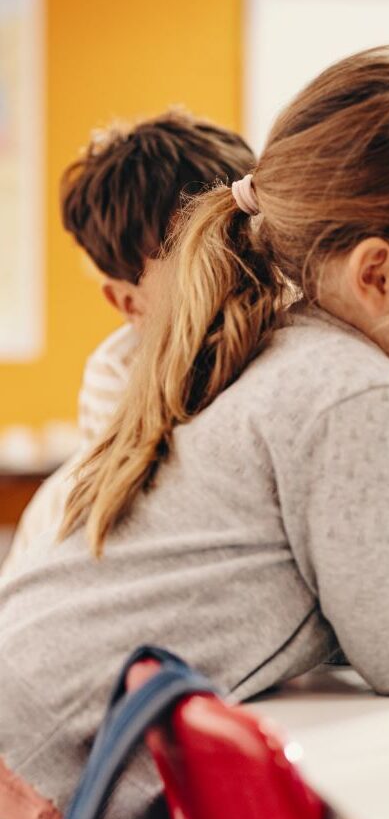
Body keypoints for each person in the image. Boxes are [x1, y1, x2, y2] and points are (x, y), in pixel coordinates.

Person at [0, 46, 389, 819]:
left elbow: (375, 611)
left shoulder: (266, 340)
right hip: (39, 790)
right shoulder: (357, 392)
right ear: (378, 274)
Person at [0, 112, 255, 581]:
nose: (235, 275)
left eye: (244, 241)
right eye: (194, 264)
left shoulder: (290, 332)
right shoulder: (116, 384)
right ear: (126, 301)